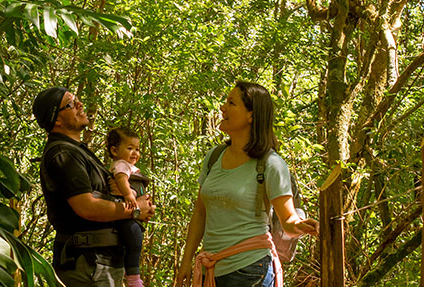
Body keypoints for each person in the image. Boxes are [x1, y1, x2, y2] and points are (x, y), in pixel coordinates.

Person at [174, 81, 319, 287]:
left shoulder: (271, 164)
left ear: (251, 115)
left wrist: (303, 226)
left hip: (250, 270)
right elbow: (200, 212)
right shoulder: (214, 157)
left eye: (231, 103)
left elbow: (288, 220)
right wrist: (185, 262)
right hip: (211, 270)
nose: (222, 108)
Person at [32, 87, 156, 287]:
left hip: (101, 264)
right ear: (57, 120)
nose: (80, 105)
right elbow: (86, 207)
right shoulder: (62, 154)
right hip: (88, 266)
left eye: (77, 99)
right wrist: (135, 210)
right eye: (71, 104)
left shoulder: (78, 151)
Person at [106, 127, 149, 287]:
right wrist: (129, 195)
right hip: (124, 211)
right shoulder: (121, 165)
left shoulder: (129, 166)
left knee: (132, 243)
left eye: (137, 149)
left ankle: (128, 270)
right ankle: (133, 279)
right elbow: (121, 179)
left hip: (132, 213)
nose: (135, 153)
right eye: (129, 148)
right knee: (134, 241)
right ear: (114, 150)